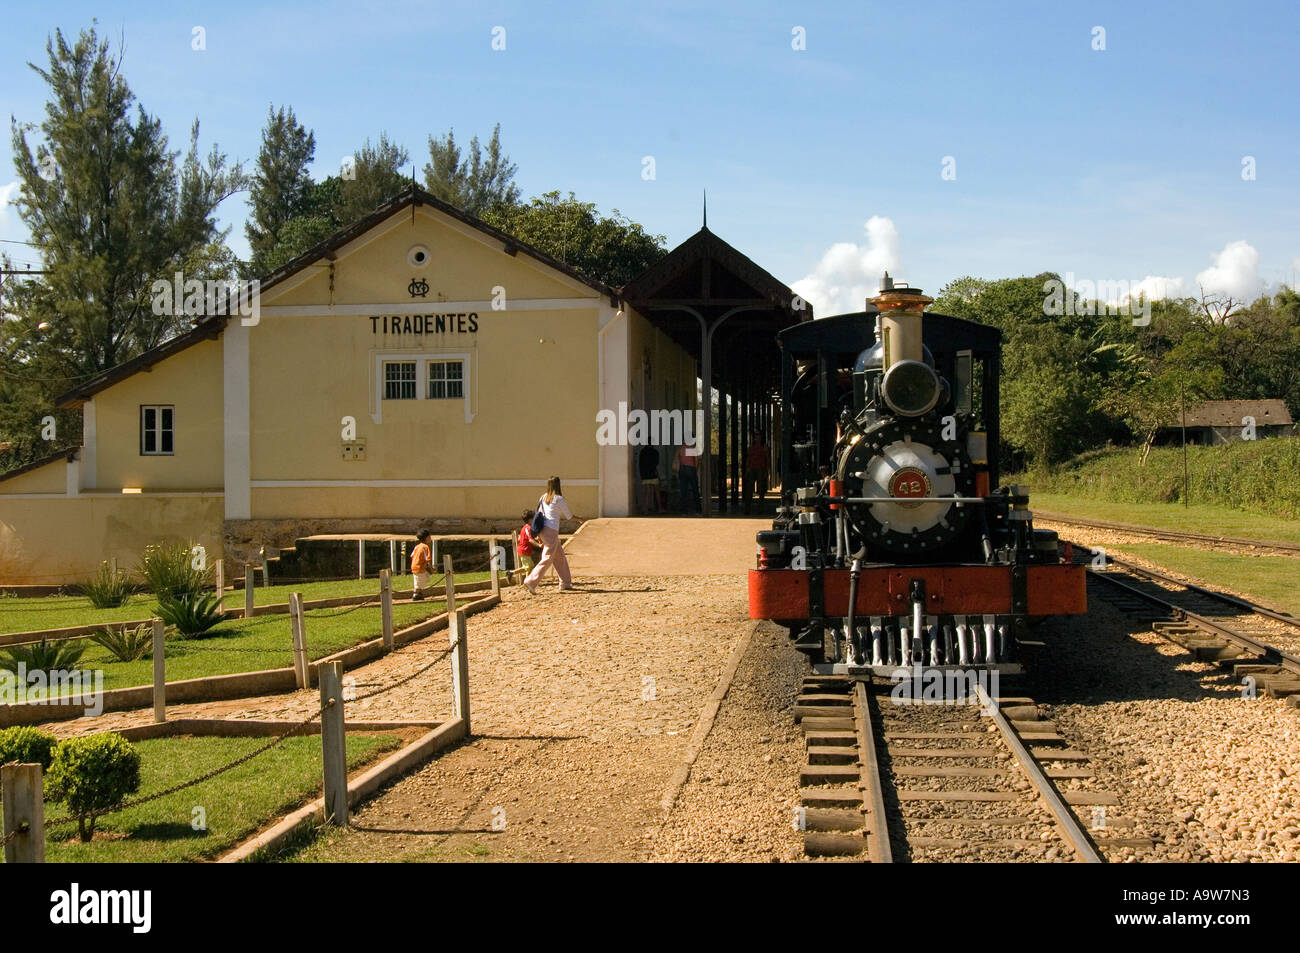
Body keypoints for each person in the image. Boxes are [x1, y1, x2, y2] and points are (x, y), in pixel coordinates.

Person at [523, 476, 577, 594]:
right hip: (551, 530)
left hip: (543, 530)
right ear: (558, 485)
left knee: (559, 557)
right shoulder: (559, 499)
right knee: (547, 558)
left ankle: (565, 582)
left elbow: (539, 514)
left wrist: (538, 536)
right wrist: (580, 519)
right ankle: (531, 581)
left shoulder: (543, 497)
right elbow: (569, 515)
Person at [743, 432, 770, 514]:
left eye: (759, 436)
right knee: (749, 490)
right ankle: (747, 509)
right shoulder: (751, 447)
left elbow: (767, 459)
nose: (757, 438)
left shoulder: (764, 447)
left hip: (760, 469)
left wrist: (766, 471)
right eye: (756, 436)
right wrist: (747, 468)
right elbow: (748, 458)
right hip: (752, 469)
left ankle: (760, 509)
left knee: (761, 490)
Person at [673, 443, 701, 515]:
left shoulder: (680, 448)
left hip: (682, 469)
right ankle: (698, 510)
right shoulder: (692, 448)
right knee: (695, 490)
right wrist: (695, 470)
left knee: (683, 491)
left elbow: (676, 459)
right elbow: (697, 460)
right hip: (691, 469)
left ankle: (684, 511)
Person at [516, 510, 542, 576]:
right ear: (530, 520)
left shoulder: (525, 528)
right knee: (529, 567)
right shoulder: (528, 528)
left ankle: (510, 573)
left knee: (527, 567)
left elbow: (529, 537)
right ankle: (527, 582)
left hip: (525, 550)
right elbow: (530, 540)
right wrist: (539, 545)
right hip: (524, 549)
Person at [410, 528, 433, 600]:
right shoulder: (425, 547)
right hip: (420, 567)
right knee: (420, 581)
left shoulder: (417, 546)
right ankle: (416, 594)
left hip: (414, 566)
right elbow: (428, 559)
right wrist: (431, 568)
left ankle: (419, 593)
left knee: (419, 580)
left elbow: (412, 555)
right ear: (427, 538)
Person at [638, 445, 660, 514]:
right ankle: (660, 508)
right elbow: (656, 463)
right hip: (653, 473)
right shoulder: (655, 452)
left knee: (647, 492)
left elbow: (640, 464)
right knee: (657, 491)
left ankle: (645, 510)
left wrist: (642, 475)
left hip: (645, 474)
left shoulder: (642, 451)